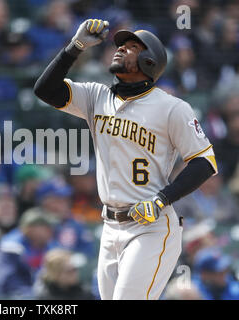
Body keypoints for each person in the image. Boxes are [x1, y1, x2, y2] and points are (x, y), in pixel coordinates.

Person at [34, 19, 217, 300]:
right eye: (120, 45)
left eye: (131, 47)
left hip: (151, 226)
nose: (120, 50)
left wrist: (162, 199)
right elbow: (45, 90)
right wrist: (76, 46)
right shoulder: (97, 96)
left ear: (149, 61)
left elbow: (205, 162)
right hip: (109, 226)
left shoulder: (172, 107)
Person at [0, 207, 58, 299]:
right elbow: (5, 282)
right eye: (46, 227)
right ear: (29, 228)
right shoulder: (11, 247)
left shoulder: (49, 244)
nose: (51, 231)